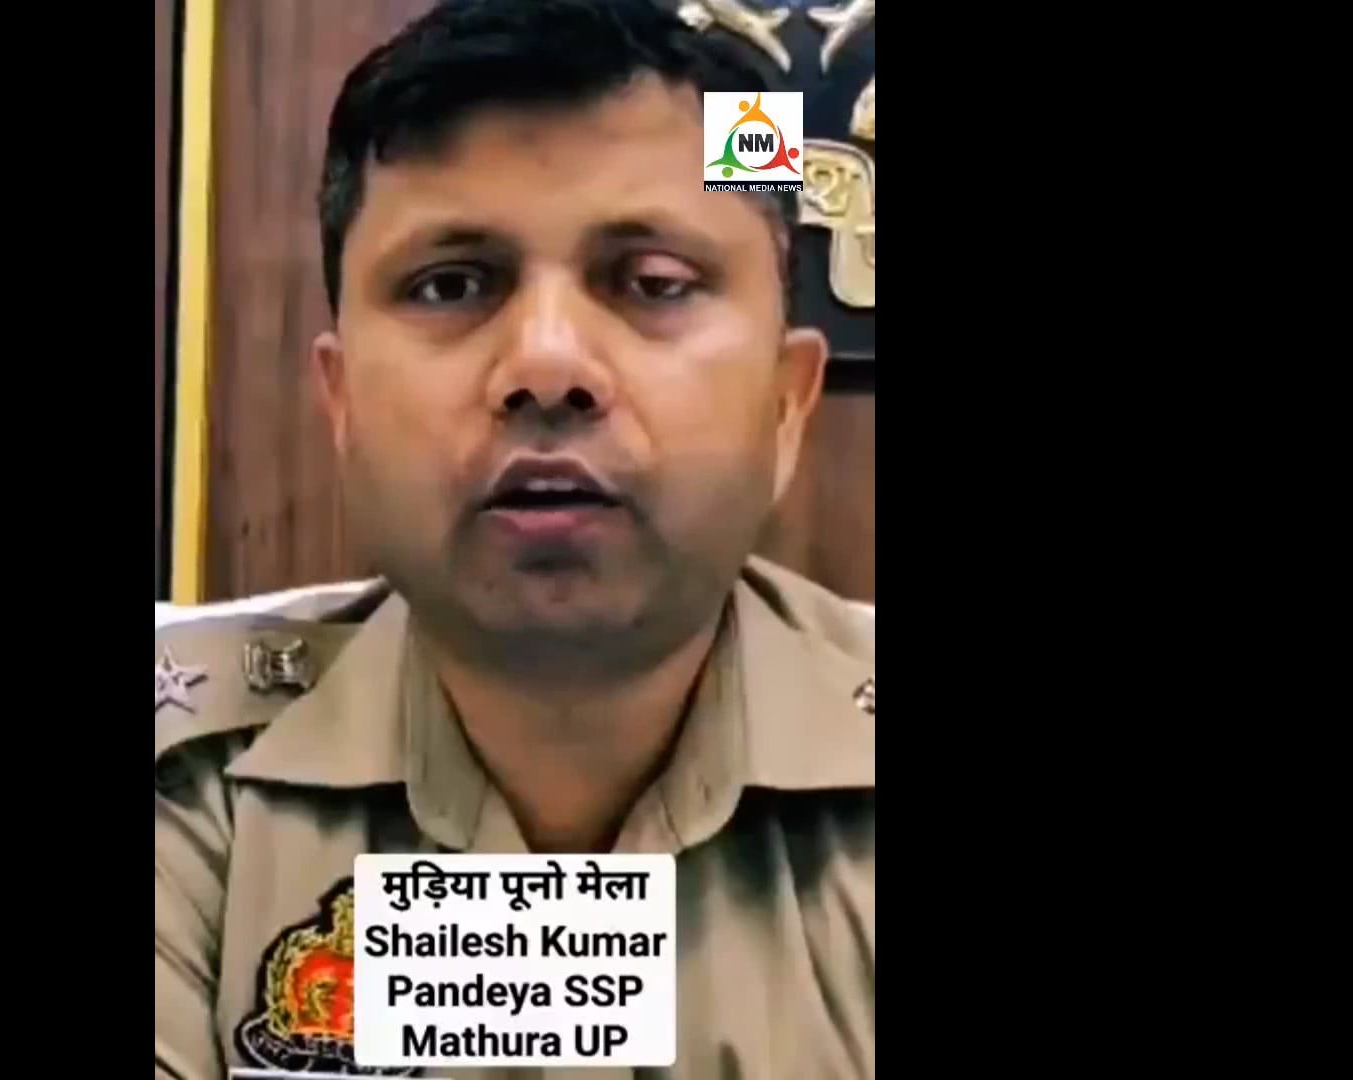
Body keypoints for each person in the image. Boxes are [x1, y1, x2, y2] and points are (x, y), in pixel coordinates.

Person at [155, 1, 874, 1075]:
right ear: (342, 405)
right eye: (452, 285)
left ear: (784, 402)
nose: (546, 363)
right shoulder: (187, 794)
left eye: (653, 283)